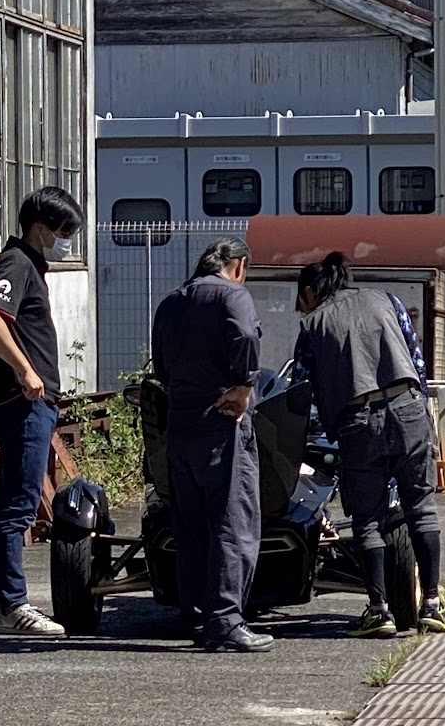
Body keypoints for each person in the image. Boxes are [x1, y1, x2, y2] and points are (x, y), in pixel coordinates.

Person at [291, 252, 445, 638]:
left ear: (310, 293)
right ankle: (432, 604)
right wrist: (420, 412)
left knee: (367, 520)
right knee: (421, 509)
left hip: (358, 421)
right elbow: (416, 360)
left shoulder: (313, 325)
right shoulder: (386, 300)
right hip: (408, 409)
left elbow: (300, 389)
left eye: (301, 301)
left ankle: (379, 612)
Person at [150, 237, 274, 653]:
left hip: (180, 423)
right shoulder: (232, 296)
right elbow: (245, 334)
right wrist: (243, 386)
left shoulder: (171, 302)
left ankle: (199, 616)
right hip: (222, 422)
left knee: (190, 526)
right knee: (233, 522)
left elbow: (161, 364)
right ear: (238, 265)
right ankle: (226, 621)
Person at [0, 186, 84, 636]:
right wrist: (25, 370)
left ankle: (5, 602)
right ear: (40, 228)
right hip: (23, 401)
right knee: (19, 504)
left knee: (14, 499)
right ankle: (11, 605)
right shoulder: (17, 263)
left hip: (31, 401)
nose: (67, 241)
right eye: (64, 232)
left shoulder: (29, 266)